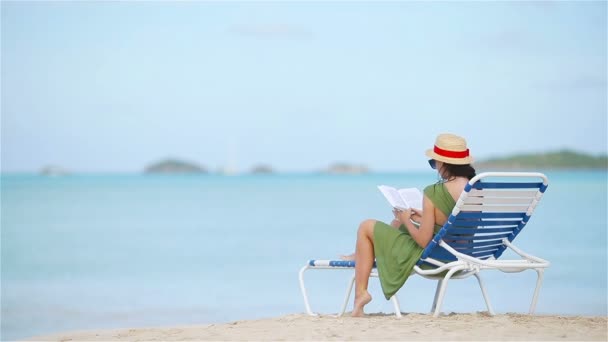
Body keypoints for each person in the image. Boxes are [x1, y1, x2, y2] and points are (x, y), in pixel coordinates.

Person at [342, 133, 477, 317]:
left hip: (435, 259)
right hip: (460, 256)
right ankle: (359, 255)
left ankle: (361, 294)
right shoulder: (475, 189)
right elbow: (457, 224)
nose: (435, 168)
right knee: (398, 224)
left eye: (434, 163)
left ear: (444, 163)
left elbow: (423, 241)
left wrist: (407, 219)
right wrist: (425, 217)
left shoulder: (434, 192)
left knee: (366, 226)